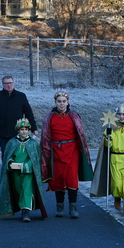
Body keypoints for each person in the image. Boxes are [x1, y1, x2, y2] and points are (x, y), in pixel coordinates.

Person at [40, 89, 94, 218]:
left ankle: (73, 207)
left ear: (68, 102)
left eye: (64, 101)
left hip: (72, 151)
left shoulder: (74, 116)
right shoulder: (49, 117)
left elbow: (80, 135)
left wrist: (82, 152)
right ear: (55, 102)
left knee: (71, 179)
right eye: (59, 102)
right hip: (56, 152)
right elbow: (45, 137)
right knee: (58, 179)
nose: (61, 104)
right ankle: (59, 207)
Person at [0, 118, 47, 222]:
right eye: (22, 129)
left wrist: (24, 166)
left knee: (26, 190)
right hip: (15, 173)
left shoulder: (33, 143)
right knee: (18, 190)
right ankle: (20, 208)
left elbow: (35, 159)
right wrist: (10, 163)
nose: (24, 131)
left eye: (26, 129)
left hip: (27, 173)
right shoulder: (12, 142)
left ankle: (26, 212)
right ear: (18, 130)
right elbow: (8, 156)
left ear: (28, 130)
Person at [0, 76, 38, 158]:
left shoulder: (21, 96)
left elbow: (28, 114)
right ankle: (6, 170)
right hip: (2, 132)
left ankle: (16, 170)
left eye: (10, 83)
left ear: (13, 83)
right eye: (6, 83)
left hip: (18, 132)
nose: (9, 85)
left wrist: (34, 128)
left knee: (17, 153)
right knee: (6, 153)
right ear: (3, 84)